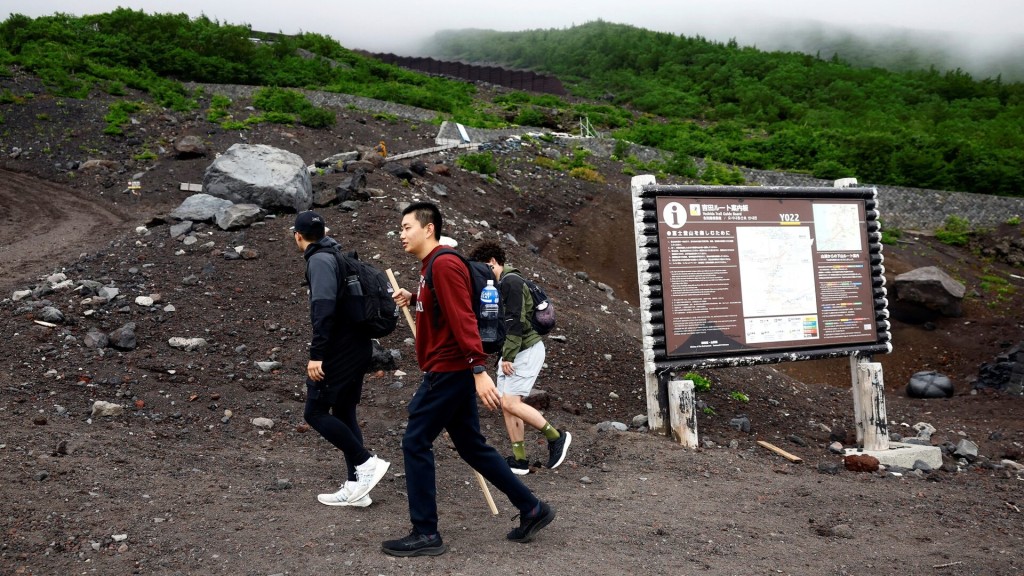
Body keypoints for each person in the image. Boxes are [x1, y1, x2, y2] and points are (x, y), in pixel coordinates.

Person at [382, 202, 555, 557]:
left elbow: (462, 318)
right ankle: (532, 508)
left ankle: (426, 532)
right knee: (472, 446)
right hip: (453, 368)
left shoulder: (443, 264)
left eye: (406, 227)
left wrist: (478, 369)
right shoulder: (431, 267)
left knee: (415, 441)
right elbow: (445, 310)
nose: (401, 234)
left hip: (450, 369)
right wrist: (415, 298)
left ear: (428, 229)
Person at [291, 210, 390, 508]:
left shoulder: (320, 261)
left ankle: (366, 463)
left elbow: (324, 309)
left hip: (339, 350)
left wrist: (316, 355)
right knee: (345, 412)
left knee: (315, 412)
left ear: (298, 236)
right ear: (324, 232)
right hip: (358, 346)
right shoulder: (335, 255)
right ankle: (357, 487)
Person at [468, 240, 570, 475]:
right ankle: (520, 460)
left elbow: (515, 322)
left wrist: (509, 356)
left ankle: (556, 437)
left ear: (493, 262)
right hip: (513, 351)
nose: (481, 274)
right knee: (508, 405)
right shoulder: (501, 283)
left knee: (510, 402)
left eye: (483, 267)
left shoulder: (511, 282)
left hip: (525, 350)